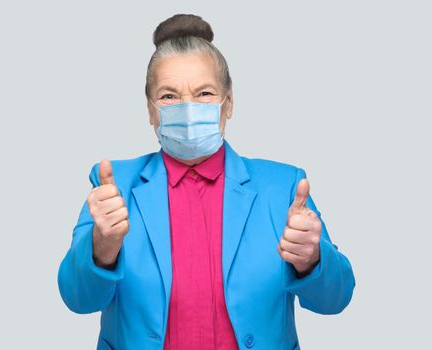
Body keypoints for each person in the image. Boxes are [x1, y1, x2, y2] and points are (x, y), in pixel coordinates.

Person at [57, 13, 355, 350]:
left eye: (204, 93)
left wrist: (311, 260)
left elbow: (335, 300)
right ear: (151, 110)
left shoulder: (283, 187)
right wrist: (102, 247)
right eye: (169, 96)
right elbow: (77, 298)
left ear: (228, 103)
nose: (187, 107)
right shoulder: (114, 187)